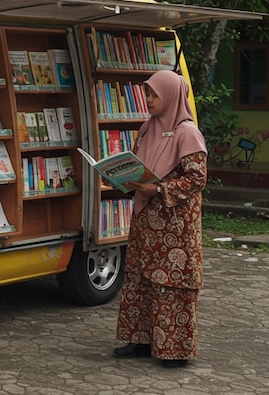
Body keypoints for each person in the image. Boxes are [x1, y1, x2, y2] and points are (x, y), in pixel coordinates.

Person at [114, 70, 207, 368]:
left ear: (171, 96)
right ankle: (140, 340)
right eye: (148, 94)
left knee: (171, 283)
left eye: (155, 94)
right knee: (140, 279)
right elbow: (136, 163)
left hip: (174, 225)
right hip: (146, 221)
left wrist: (159, 189)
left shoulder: (187, 132)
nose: (149, 100)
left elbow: (196, 179)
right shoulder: (146, 128)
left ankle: (174, 350)